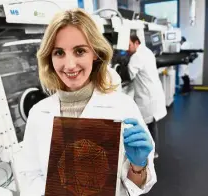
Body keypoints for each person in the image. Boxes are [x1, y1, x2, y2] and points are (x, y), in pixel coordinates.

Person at [21, 8, 156, 196]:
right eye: (59, 53)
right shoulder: (39, 113)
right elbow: (30, 175)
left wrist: (138, 166)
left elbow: (137, 186)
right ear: (49, 58)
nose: (69, 65)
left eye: (79, 51)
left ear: (95, 52)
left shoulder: (122, 106)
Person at [127, 34, 167, 158]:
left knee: (144, 124)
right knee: (151, 124)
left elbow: (129, 75)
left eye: (129, 45)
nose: (127, 49)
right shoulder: (147, 51)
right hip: (153, 93)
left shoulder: (137, 56)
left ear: (136, 43)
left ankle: (147, 152)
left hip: (147, 97)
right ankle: (153, 151)